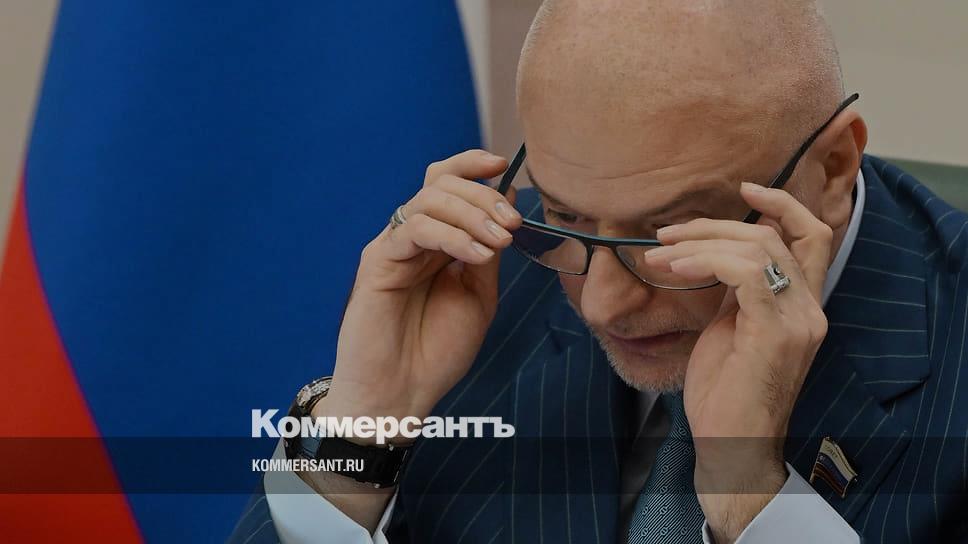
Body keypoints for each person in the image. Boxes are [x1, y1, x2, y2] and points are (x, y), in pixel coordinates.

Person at [230, 1, 968, 542]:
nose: (604, 306)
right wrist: (363, 425)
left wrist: (749, 497)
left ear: (832, 168)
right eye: (567, 212)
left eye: (666, 232)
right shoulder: (480, 277)